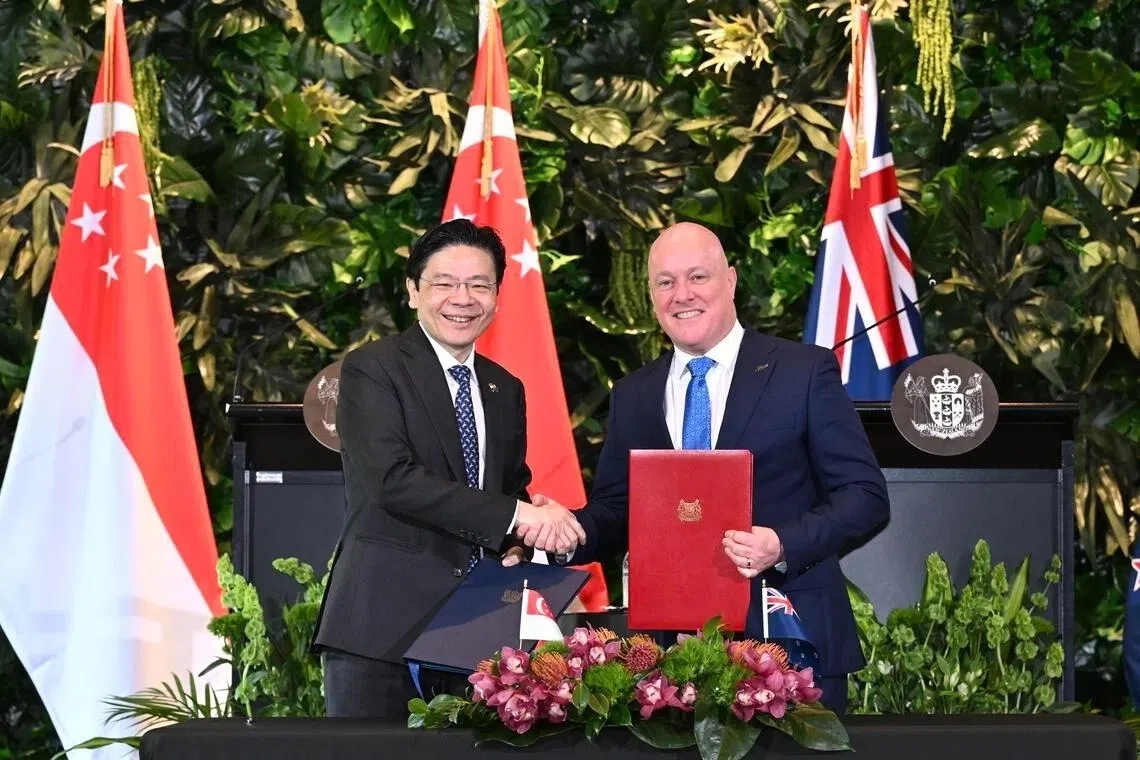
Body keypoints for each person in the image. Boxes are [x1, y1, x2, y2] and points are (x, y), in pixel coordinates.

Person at [522, 222, 889, 715]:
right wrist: (564, 530)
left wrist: (782, 543)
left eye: (698, 277)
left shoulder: (803, 371)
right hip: (666, 662)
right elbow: (617, 509)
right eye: (666, 282)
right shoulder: (634, 394)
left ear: (730, 280)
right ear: (651, 294)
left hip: (789, 643)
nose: (682, 294)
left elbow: (864, 495)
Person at [311, 219, 586, 719]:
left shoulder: (505, 387)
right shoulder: (373, 368)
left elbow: (507, 490)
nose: (463, 299)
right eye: (444, 283)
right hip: (380, 632)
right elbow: (393, 481)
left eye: (479, 284)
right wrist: (518, 516)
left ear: (497, 297)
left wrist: (521, 538)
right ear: (413, 291)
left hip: (477, 635)